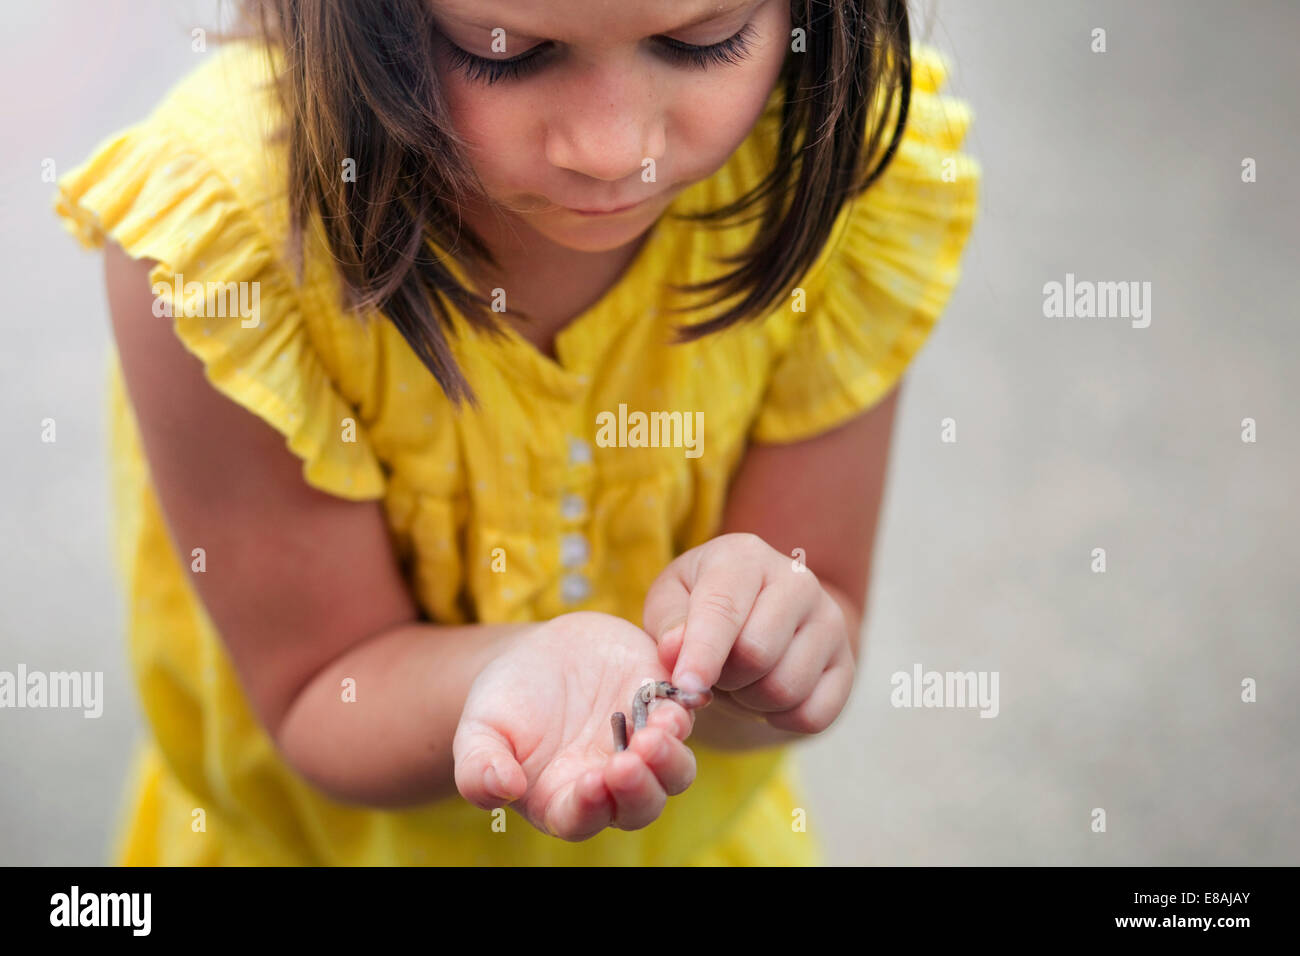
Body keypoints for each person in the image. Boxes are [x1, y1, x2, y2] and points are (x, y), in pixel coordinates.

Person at [52, 0, 979, 865]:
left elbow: (821, 621)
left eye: (705, 42)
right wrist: (503, 672)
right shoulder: (228, 241)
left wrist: (755, 658)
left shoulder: (840, 170)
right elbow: (315, 692)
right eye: (504, 51)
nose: (613, 150)